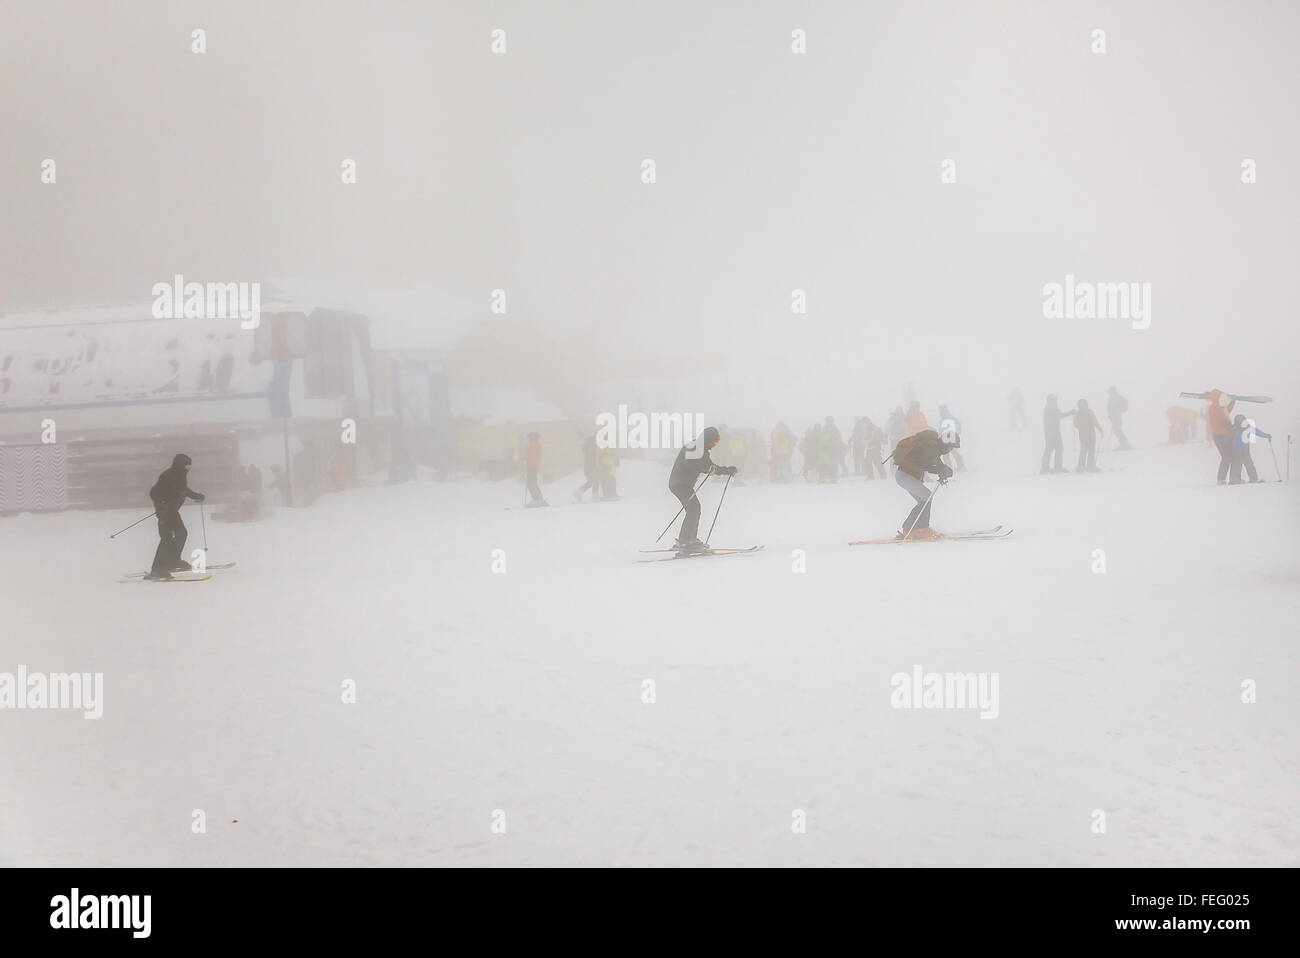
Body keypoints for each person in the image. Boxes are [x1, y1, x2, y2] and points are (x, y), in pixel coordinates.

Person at [668, 426, 736, 552]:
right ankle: (687, 540)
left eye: (717, 442)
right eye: (714, 442)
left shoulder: (699, 448)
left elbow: (708, 466)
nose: (714, 445)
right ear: (708, 439)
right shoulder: (695, 448)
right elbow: (698, 465)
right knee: (694, 508)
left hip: (681, 483)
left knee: (693, 508)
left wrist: (726, 470)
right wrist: (709, 469)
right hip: (680, 484)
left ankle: (686, 539)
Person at [891, 429, 959, 539]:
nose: (951, 450)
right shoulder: (930, 447)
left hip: (907, 476)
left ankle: (917, 529)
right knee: (927, 497)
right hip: (904, 476)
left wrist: (942, 471)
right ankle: (915, 529)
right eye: (952, 447)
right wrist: (941, 470)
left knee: (924, 500)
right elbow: (926, 464)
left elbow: (934, 464)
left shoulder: (933, 448)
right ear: (947, 443)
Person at [147, 453, 205, 579]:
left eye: (189, 466)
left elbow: (184, 490)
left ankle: (173, 561)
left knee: (181, 534)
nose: (189, 468)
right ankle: (157, 569)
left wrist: (197, 496)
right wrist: (161, 504)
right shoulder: (168, 476)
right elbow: (154, 492)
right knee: (167, 538)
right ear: (180, 465)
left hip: (172, 511)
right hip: (165, 511)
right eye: (187, 465)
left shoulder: (180, 475)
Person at [1230, 414, 1271, 483]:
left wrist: (1266, 435)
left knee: (1249, 464)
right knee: (1237, 464)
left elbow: (1257, 432)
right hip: (1237, 451)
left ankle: (1253, 478)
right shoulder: (1233, 429)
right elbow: (1227, 437)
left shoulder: (1248, 428)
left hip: (1245, 451)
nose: (1242, 422)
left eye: (1243, 420)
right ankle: (1235, 479)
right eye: (1240, 421)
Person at [1207, 389, 1237, 484]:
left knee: (1230, 456)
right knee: (1226, 456)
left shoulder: (1221, 407)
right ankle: (1221, 479)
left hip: (1226, 435)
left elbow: (1228, 410)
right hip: (1220, 435)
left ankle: (1230, 478)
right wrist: (1227, 425)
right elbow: (1219, 419)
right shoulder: (1213, 408)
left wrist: (1232, 401)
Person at [1041, 394, 1074, 474]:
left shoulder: (1052, 408)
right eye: (1054, 400)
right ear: (1049, 401)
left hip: (1054, 432)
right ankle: (1049, 468)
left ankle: (1053, 467)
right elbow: (1059, 415)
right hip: (1051, 433)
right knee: (1051, 449)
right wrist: (1070, 412)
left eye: (1056, 400)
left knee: (1055, 449)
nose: (1055, 401)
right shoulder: (1050, 409)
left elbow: (1059, 415)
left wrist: (1070, 413)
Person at [1073, 399, 1102, 472]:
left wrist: (1100, 429)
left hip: (1085, 434)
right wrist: (1100, 429)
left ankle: (1083, 466)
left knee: (1086, 450)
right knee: (1088, 449)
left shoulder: (1078, 413)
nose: (1084, 405)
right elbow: (1095, 421)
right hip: (1089, 433)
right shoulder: (1088, 412)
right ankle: (1089, 466)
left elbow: (1076, 424)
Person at [937, 405, 966, 472]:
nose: (939, 413)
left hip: (946, 438)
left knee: (946, 454)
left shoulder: (944, 419)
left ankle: (949, 469)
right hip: (953, 436)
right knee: (954, 452)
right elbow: (958, 426)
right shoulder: (952, 417)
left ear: (942, 411)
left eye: (940, 411)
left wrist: (939, 436)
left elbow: (942, 429)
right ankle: (961, 466)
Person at [574, 434, 599, 502]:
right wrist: (595, 467)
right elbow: (592, 459)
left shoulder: (588, 448)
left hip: (589, 467)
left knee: (591, 482)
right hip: (592, 467)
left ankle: (579, 493)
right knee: (595, 481)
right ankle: (595, 496)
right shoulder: (592, 448)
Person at [524, 432, 547, 506]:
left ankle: (538, 499)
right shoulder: (534, 445)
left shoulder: (534, 445)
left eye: (532, 437)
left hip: (531, 467)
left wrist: (527, 461)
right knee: (531, 483)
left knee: (531, 483)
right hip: (532, 467)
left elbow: (532, 457)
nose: (530, 438)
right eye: (530, 437)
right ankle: (537, 499)